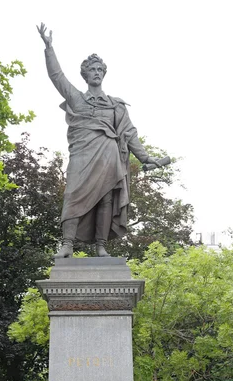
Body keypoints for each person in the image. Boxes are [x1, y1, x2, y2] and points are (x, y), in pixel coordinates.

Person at [37, 23, 162, 258]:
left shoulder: (116, 105)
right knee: (73, 193)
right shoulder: (77, 99)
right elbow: (57, 77)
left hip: (108, 156)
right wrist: (49, 48)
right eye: (92, 69)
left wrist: (146, 157)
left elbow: (129, 133)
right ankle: (67, 244)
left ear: (104, 74)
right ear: (85, 75)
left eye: (99, 70)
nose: (96, 72)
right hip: (82, 155)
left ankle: (101, 246)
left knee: (106, 198)